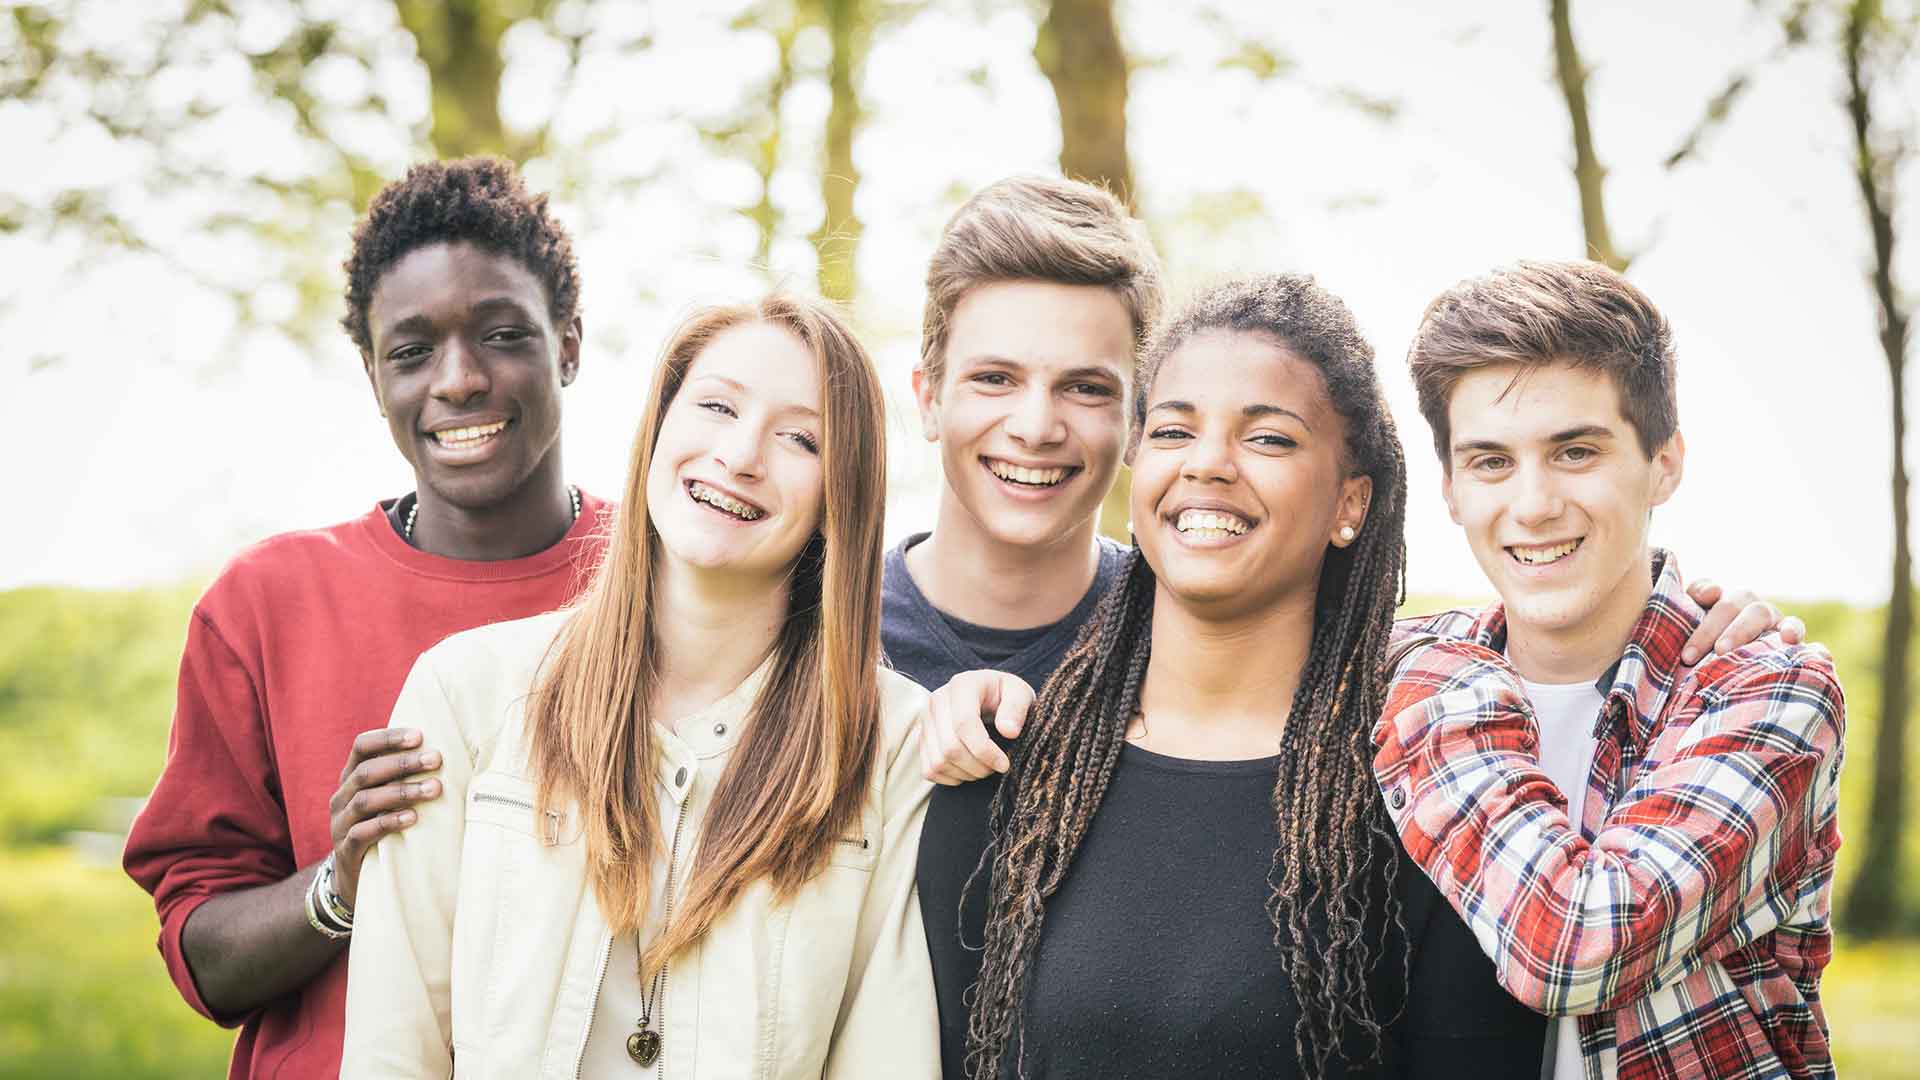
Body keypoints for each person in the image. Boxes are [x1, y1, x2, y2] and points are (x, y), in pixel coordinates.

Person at [900, 178, 1797, 1080]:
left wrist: (1678, 620)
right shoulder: (1007, 763)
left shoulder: (1437, 785)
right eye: (1174, 432)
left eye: (1271, 440)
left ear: (1351, 502)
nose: (1208, 464)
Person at [342, 294, 937, 1077]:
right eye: (717, 406)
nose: (741, 454)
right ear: (657, 429)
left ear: (841, 495)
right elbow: (393, 1049)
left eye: (800, 437)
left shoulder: (890, 740)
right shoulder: (465, 695)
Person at [121, 157, 610, 1080]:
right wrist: (343, 883)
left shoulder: (673, 575)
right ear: (372, 372)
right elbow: (206, 959)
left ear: (570, 345)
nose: (458, 380)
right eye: (412, 350)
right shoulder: (267, 602)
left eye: (503, 334)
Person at [1375, 260, 1845, 1079]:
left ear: (1664, 462)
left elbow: (1575, 947)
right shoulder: (1402, 666)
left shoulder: (1768, 691)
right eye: (1491, 462)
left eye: (1575, 451)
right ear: (1450, 489)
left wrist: (1428, 683)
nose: (1533, 505)